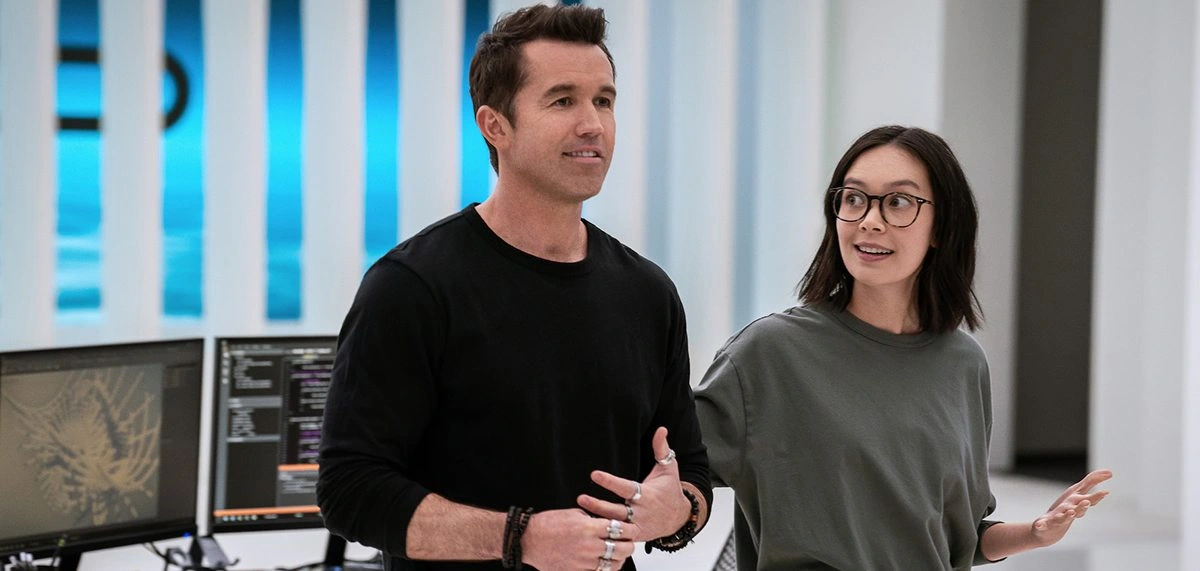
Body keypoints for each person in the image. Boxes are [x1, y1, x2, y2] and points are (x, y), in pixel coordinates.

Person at [316, 5, 711, 571]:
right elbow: (351, 491)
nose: (593, 125)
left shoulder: (648, 294)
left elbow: (688, 474)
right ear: (495, 125)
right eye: (563, 101)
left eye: (604, 100)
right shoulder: (411, 288)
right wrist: (521, 537)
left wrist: (678, 512)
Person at [694, 125, 1112, 570]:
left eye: (897, 202)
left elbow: (960, 539)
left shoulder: (964, 364)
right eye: (854, 198)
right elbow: (676, 471)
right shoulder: (769, 353)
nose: (869, 220)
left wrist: (1035, 532)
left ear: (941, 228)